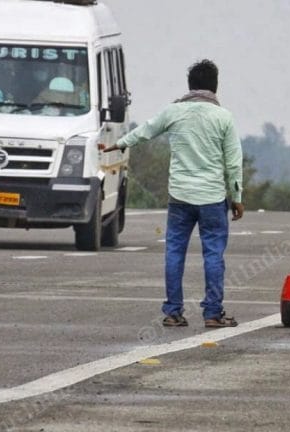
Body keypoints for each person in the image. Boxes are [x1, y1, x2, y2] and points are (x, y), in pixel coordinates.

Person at [104, 59, 243, 328]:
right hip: (212, 198)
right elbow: (233, 162)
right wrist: (237, 197)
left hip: (180, 196)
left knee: (174, 252)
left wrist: (119, 143)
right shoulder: (224, 117)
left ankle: (173, 312)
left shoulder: (174, 112)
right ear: (215, 86)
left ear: (190, 86)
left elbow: (145, 131)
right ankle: (213, 313)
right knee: (213, 255)